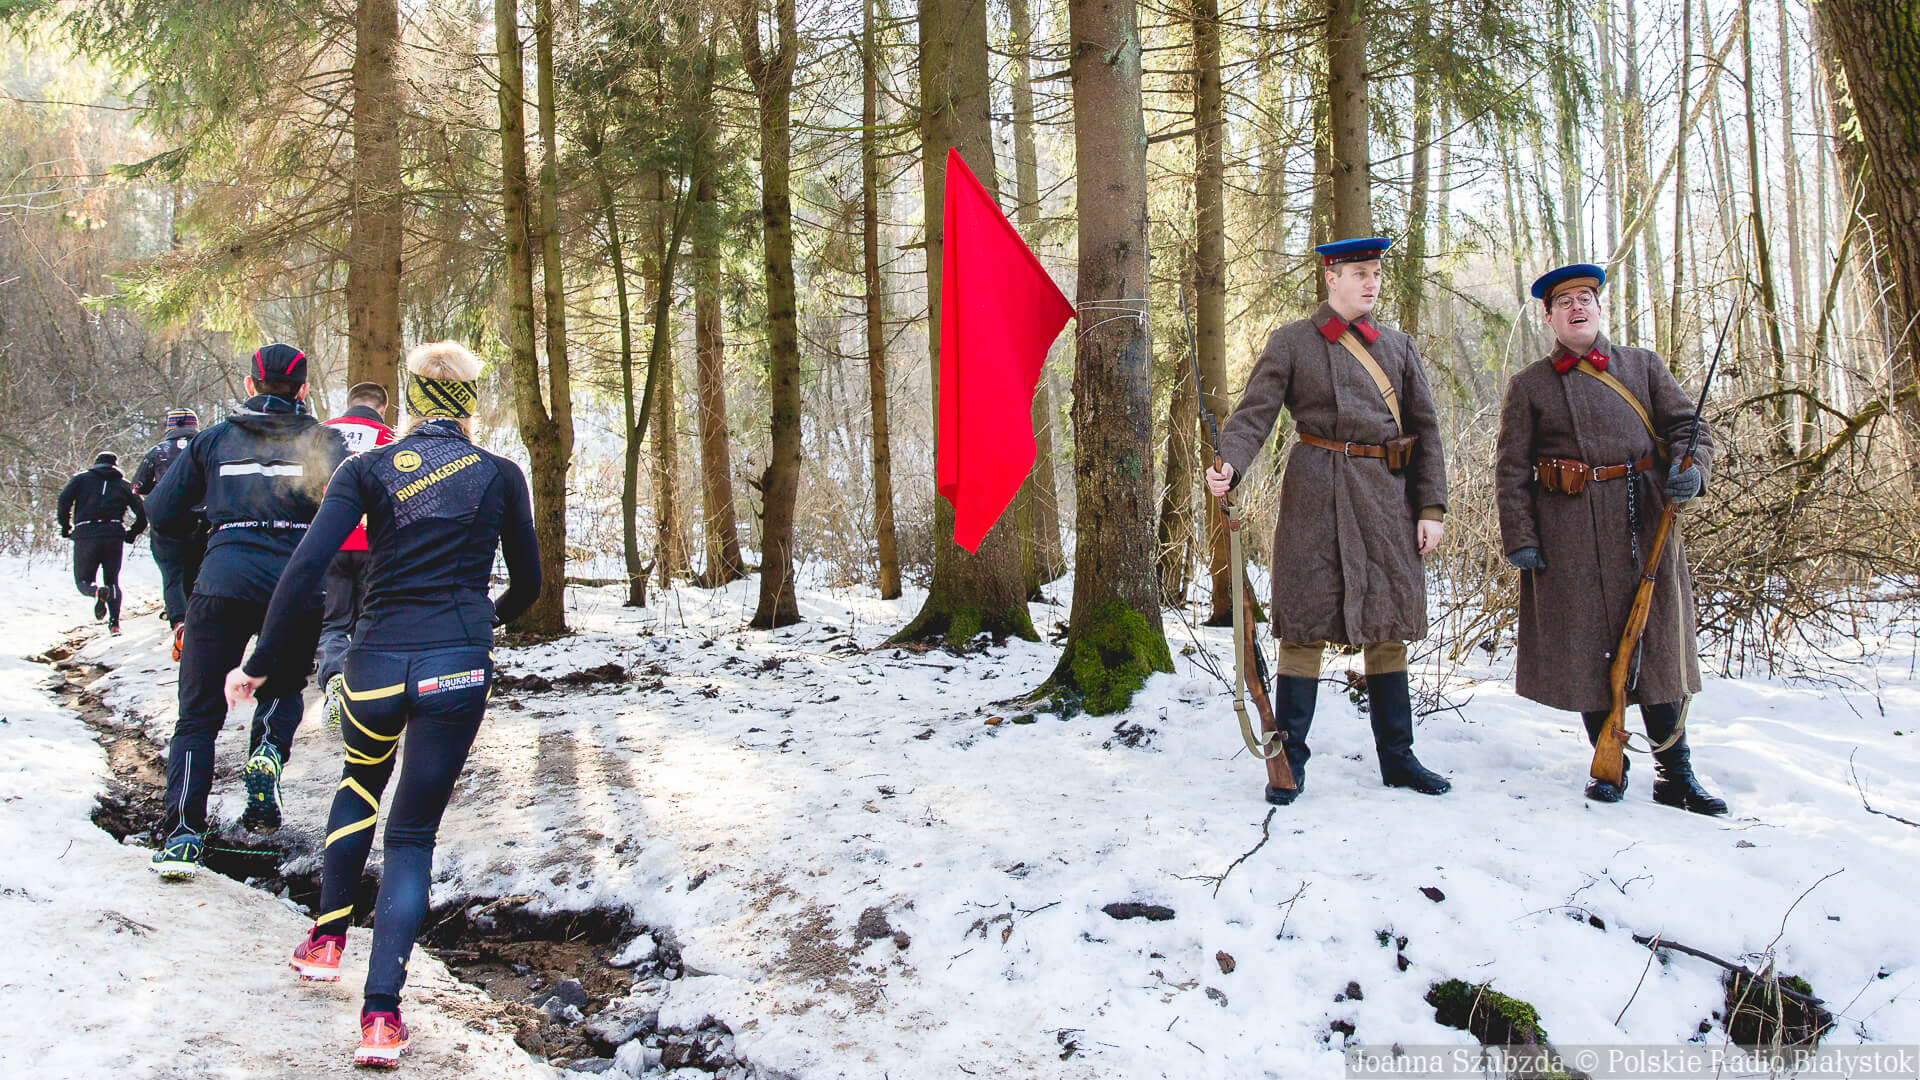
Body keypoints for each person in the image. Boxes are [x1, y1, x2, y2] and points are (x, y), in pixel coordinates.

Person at [226, 341, 539, 1067]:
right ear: (469, 403)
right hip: (454, 670)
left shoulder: (363, 469)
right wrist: (477, 620)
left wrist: (264, 662)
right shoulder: (498, 475)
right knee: (412, 837)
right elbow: (528, 587)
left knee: (358, 784)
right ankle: (380, 1019)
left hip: (372, 665)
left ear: (412, 399)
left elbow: (309, 566)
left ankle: (327, 938)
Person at [1205, 237, 1451, 804]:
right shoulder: (1293, 342)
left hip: (1388, 501)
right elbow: (1253, 415)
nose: (1371, 283)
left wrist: (1431, 508)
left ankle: (1398, 757)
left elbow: (1427, 433)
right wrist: (1229, 465)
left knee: (1387, 626)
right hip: (1314, 495)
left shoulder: (1399, 348)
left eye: (1376, 274)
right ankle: (1291, 757)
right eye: (1359, 273)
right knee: (1305, 623)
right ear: (1330, 278)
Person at [1494, 264, 1726, 815]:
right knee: (1591, 649)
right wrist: (1520, 537)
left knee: (1658, 644)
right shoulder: (1530, 385)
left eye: (1586, 298)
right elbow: (1509, 468)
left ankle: (1676, 773)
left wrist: (1692, 471)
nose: (1577, 307)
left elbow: (1689, 429)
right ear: (1549, 317)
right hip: (1568, 531)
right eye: (1564, 301)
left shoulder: (1642, 366)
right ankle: (1610, 762)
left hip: (1645, 520)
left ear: (1600, 310)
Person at [143, 344, 350, 878]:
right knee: (282, 687)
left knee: (197, 717)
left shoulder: (212, 440)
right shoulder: (325, 442)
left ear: (249, 383)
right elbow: (352, 508)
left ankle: (184, 836)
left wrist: (206, 530)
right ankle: (267, 756)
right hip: (296, 581)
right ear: (303, 388)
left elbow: (160, 512)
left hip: (222, 579)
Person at [318, 382, 397, 732]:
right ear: (382, 408)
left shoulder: (321, 434)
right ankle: (367, 691)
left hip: (328, 541)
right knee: (371, 618)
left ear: (348, 403)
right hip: (373, 543)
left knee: (334, 621)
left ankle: (334, 677)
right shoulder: (389, 437)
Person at [132, 408, 206, 660]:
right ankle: (199, 623)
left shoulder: (157, 452)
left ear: (170, 426)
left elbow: (138, 488)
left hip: (168, 521)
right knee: (199, 573)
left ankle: (179, 624)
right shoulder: (207, 447)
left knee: (172, 575)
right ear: (196, 425)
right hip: (204, 518)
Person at [57, 451, 147, 634]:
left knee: (83, 580)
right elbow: (143, 513)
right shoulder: (124, 485)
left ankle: (96, 591)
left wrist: (65, 526)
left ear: (96, 463)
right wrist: (132, 533)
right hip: (113, 534)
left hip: (86, 534)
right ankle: (114, 624)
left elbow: (63, 501)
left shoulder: (80, 480)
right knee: (113, 581)